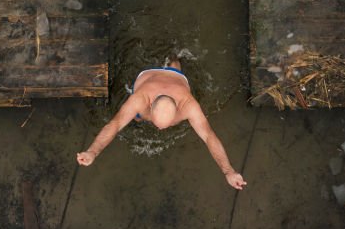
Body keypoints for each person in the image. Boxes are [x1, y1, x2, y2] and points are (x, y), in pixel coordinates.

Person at [76, 59, 247, 190]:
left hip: (176, 77)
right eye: (158, 123)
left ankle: (174, 61)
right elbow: (114, 124)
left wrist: (229, 171)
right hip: (147, 78)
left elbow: (209, 136)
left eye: (168, 123)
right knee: (136, 117)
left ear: (178, 108)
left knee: (175, 64)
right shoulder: (139, 99)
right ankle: (142, 114)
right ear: (150, 106)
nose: (160, 129)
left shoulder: (189, 104)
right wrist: (92, 151)